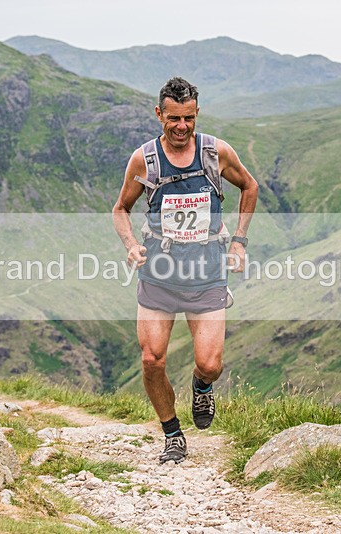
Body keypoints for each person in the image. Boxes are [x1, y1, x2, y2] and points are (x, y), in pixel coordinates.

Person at [112, 77, 258, 464]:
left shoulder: (215, 153)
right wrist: (131, 245)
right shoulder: (145, 159)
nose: (181, 127)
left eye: (188, 118)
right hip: (159, 271)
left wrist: (239, 241)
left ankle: (201, 386)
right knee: (151, 359)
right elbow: (120, 209)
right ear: (159, 114)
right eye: (173, 118)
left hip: (207, 272)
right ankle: (173, 434)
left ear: (197, 114)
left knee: (210, 364)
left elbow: (249, 186)